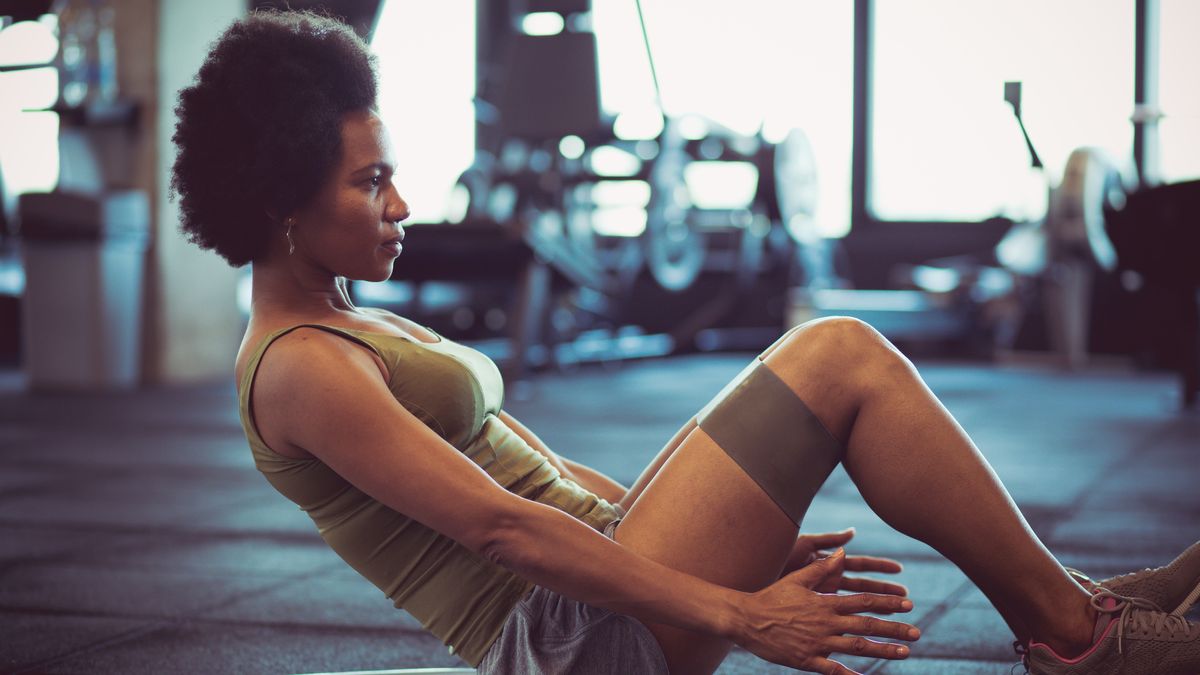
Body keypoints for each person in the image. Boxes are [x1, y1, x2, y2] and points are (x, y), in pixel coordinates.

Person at [171, 11, 1200, 675]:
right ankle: (1081, 637)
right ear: (277, 203)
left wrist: (728, 535)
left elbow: (531, 467)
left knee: (826, 360)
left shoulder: (345, 317)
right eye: (367, 183)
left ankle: (1073, 605)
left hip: (600, 571)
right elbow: (502, 531)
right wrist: (740, 612)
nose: (400, 203)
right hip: (567, 639)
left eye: (392, 173)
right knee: (835, 355)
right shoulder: (301, 365)